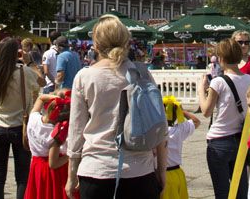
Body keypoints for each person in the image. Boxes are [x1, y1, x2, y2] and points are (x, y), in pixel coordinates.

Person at [65, 15, 167, 199]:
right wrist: (161, 169)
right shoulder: (141, 73)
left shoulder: (85, 76)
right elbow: (159, 125)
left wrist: (71, 174)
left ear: (95, 45)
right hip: (140, 170)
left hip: (96, 170)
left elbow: (76, 130)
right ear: (127, 41)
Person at [197, 38, 250, 199]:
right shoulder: (248, 79)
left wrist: (201, 90)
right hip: (239, 140)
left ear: (221, 58)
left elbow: (206, 111)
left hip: (219, 140)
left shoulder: (218, 82)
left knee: (222, 190)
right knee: (241, 187)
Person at [0, 37, 38, 199]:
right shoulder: (25, 72)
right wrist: (29, 63)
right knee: (22, 178)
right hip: (19, 127)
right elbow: (40, 81)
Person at [24, 91, 71, 199]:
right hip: (53, 173)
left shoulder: (33, 118)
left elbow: (40, 98)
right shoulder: (55, 133)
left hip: (36, 167)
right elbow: (53, 164)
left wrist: (56, 98)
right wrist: (70, 155)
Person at [161, 95, 199, 199]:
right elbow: (196, 121)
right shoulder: (180, 129)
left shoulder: (157, 131)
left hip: (162, 174)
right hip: (178, 173)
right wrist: (182, 111)